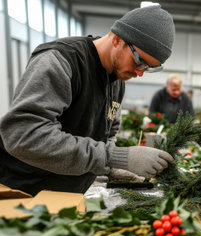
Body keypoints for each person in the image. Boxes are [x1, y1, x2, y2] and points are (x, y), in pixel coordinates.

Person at [0, 5, 176, 196]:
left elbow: (106, 137)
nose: (140, 73)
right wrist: (112, 158)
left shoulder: (118, 80)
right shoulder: (60, 61)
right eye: (139, 61)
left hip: (66, 197)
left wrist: (110, 169)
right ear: (117, 39)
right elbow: (23, 135)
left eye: (148, 68)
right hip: (22, 193)